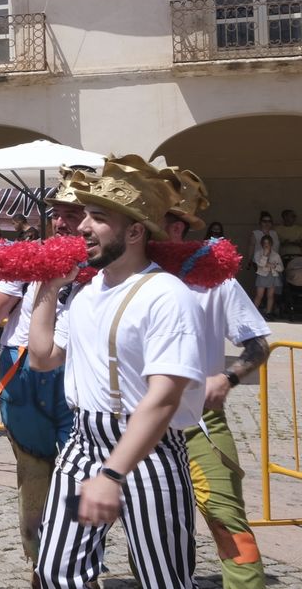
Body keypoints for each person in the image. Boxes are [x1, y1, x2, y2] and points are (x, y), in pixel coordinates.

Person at [24, 156, 204, 589]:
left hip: (149, 450)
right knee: (55, 573)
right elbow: (42, 357)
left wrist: (112, 474)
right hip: (82, 442)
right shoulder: (85, 293)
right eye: (85, 215)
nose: (82, 227)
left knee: (164, 579)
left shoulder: (167, 295)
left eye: (98, 218)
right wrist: (50, 287)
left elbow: (163, 398)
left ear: (136, 232)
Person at [0, 172, 86, 573]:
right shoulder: (28, 259)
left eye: (73, 213)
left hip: (78, 380)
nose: (63, 221)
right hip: (21, 379)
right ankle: (39, 566)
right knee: (33, 479)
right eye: (58, 213)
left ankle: (76, 568)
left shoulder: (109, 268)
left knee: (77, 481)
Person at [162, 173, 272, 589]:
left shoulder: (215, 279)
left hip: (200, 424)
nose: (172, 228)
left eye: (178, 221)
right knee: (155, 531)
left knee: (227, 522)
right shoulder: (118, 279)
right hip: (133, 426)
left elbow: (257, 343)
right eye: (164, 219)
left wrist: (227, 377)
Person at [253, 235, 283, 317]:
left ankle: (268, 313)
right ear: (262, 244)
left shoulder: (276, 255)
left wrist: (273, 266)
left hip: (272, 276)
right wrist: (265, 255)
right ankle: (253, 312)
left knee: (270, 295)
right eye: (264, 243)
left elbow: (281, 268)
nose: (266, 245)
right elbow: (260, 264)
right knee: (259, 295)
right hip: (262, 275)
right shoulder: (258, 253)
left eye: (268, 243)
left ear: (271, 244)